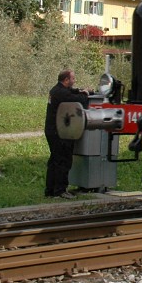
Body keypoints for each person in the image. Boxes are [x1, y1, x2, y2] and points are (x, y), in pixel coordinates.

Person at [44, 69, 89, 199]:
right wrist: (85, 94)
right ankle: (60, 190)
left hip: (52, 131)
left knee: (54, 161)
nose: (74, 81)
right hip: (59, 133)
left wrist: (81, 90)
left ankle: (50, 190)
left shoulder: (56, 90)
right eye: (73, 78)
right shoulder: (62, 93)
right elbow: (78, 101)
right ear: (66, 80)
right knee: (64, 161)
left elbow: (71, 92)